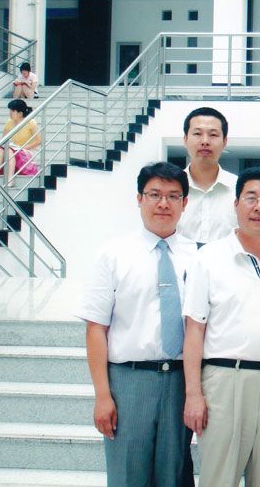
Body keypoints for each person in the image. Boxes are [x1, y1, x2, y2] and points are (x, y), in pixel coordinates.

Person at [182, 167, 260, 487]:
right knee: (218, 479)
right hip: (223, 382)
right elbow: (194, 330)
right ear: (236, 204)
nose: (259, 207)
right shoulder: (208, 258)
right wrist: (193, 394)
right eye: (251, 198)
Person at [76, 162, 196, 486]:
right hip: (129, 381)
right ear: (139, 199)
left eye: (173, 196)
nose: (163, 204)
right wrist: (102, 395)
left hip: (180, 382)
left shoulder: (199, 257)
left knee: (174, 474)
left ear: (185, 203)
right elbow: (96, 328)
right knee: (128, 475)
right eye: (154, 194)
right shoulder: (113, 254)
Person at [176, 107, 238, 246]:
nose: (205, 141)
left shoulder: (240, 189)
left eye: (213, 135)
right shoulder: (171, 189)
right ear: (185, 139)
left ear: (225, 141)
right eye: (197, 133)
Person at [0, 99, 40, 182]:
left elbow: (38, 141)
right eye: (10, 110)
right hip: (14, 149)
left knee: (9, 150)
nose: (10, 113)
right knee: (1, 150)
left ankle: (10, 179)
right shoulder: (9, 122)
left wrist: (22, 148)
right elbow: (3, 140)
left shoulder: (31, 122)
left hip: (28, 150)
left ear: (20, 113)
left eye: (12, 111)